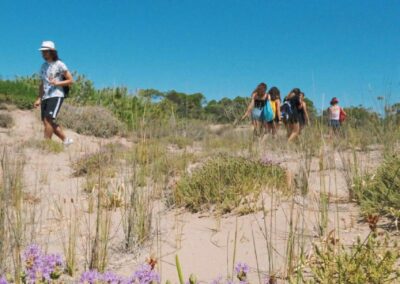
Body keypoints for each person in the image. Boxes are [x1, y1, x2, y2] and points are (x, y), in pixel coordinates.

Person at [33, 41, 74, 145]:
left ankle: (46, 145)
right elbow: (42, 84)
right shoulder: (43, 66)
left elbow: (70, 80)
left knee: (48, 119)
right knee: (46, 122)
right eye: (42, 52)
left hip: (56, 94)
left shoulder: (60, 64)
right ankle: (66, 140)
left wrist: (57, 83)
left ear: (51, 52)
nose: (43, 54)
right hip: (46, 96)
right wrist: (39, 98)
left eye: (45, 52)